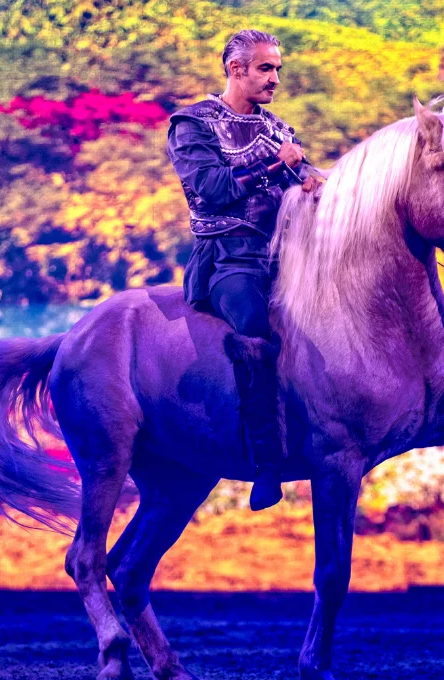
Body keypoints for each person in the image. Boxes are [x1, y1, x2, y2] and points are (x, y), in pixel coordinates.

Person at [165, 29, 323, 511]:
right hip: (226, 257)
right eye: (265, 68)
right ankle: (267, 462)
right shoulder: (192, 124)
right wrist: (275, 165)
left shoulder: (278, 127)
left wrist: (316, 180)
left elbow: (301, 174)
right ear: (236, 70)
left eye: (277, 68)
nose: (275, 78)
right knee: (254, 323)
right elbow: (212, 188)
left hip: (284, 254)